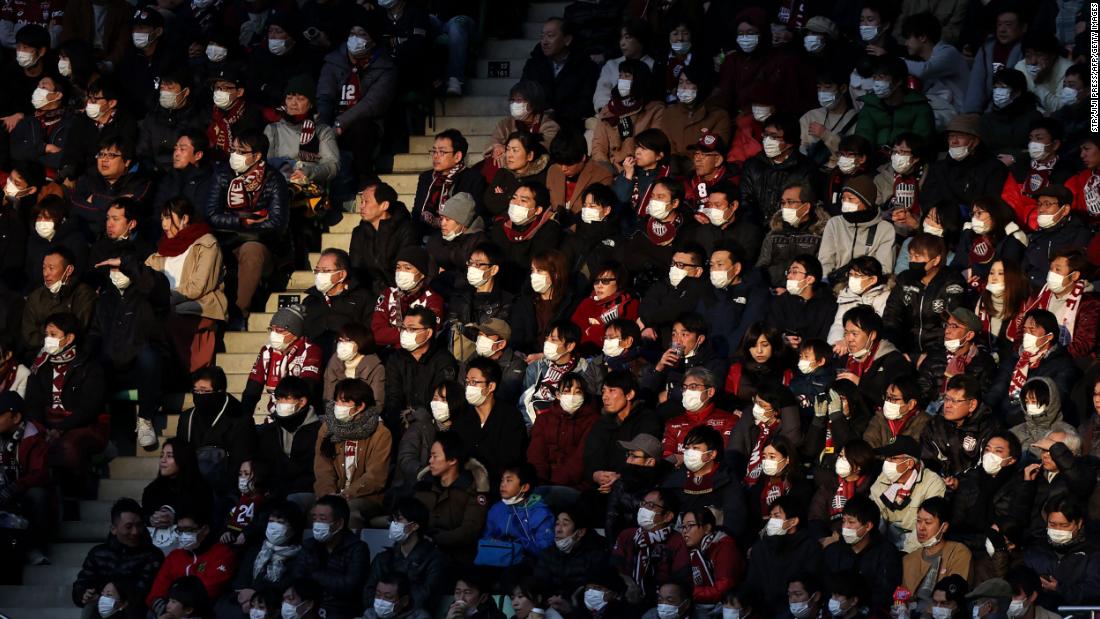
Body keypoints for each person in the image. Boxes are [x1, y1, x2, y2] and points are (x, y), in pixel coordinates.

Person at [203, 129, 289, 328]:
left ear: (257, 156)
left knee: (252, 250)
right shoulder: (223, 174)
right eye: (233, 150)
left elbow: (277, 223)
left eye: (241, 152)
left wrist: (248, 229)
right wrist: (243, 222)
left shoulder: (274, 179)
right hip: (226, 240)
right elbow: (212, 214)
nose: (234, 155)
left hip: (264, 244)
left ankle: (238, 312)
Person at [23, 313, 105, 495]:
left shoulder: (88, 366)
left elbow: (89, 408)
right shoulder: (40, 365)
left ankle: (76, 493)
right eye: (46, 335)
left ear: (69, 338)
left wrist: (61, 428)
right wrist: (43, 428)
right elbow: (32, 403)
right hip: (46, 426)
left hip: (80, 426)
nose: (47, 340)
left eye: (53, 335)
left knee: (67, 448)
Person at [315, 17, 397, 184]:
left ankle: (364, 178)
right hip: (332, 121)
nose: (356, 38)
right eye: (353, 33)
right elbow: (324, 96)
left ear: (373, 41)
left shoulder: (385, 67)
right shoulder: (333, 61)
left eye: (362, 34)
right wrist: (323, 124)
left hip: (364, 124)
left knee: (362, 129)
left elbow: (373, 103)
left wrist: (341, 123)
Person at [313, 379, 391, 528]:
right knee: (299, 503)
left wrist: (346, 495)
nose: (337, 407)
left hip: (365, 496)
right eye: (336, 401)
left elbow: (376, 476)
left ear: (360, 406)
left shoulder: (380, 433)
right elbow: (322, 468)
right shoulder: (327, 428)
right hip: (331, 494)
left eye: (343, 402)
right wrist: (328, 494)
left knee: (349, 512)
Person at [414, 433, 491, 565]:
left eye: (435, 456)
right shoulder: (425, 486)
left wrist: (436, 538)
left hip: (457, 560)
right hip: (421, 555)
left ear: (452, 460)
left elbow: (469, 530)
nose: (430, 461)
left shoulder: (473, 490)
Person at [288, 495, 369, 619]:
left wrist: (314, 574)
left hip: (341, 612)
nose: (317, 524)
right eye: (315, 519)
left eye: (322, 519)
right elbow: (297, 578)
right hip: (309, 608)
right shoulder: (309, 545)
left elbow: (349, 586)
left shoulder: (358, 548)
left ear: (339, 523)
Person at [146, 507, 237, 614]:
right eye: (180, 530)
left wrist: (178, 609)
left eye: (188, 530)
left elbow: (209, 591)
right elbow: (156, 593)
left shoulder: (222, 553)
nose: (183, 535)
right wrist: (165, 611)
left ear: (205, 529)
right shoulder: (175, 556)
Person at [364, 497, 448, 612]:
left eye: (399, 520)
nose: (393, 525)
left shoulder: (434, 560)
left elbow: (427, 597)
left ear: (414, 526)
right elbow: (368, 593)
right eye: (392, 520)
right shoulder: (383, 558)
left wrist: (395, 608)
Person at [744, 496, 824, 616]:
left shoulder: (810, 548)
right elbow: (752, 585)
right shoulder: (760, 548)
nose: (771, 521)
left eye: (776, 516)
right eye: (770, 517)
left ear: (793, 521)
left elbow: (808, 588)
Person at [611, 487, 691, 607]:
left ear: (667, 516)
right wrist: (628, 583)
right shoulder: (627, 535)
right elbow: (614, 568)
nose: (643, 509)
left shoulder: (677, 541)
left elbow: (681, 580)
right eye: (643, 504)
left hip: (661, 604)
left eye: (650, 506)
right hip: (625, 601)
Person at [176, 366, 255, 487]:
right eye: (196, 391)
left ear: (219, 392)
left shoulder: (240, 418)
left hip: (225, 486)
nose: (199, 395)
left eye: (204, 391)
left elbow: (242, 460)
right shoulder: (187, 417)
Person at [382, 307, 457, 432]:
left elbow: (440, 400)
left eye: (412, 329)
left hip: (432, 427)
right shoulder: (395, 359)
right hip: (401, 425)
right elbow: (393, 397)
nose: (405, 333)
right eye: (404, 328)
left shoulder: (443, 361)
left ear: (428, 333)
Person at [823, 496, 902, 612]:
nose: (845, 527)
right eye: (843, 521)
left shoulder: (886, 553)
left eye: (851, 522)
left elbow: (885, 593)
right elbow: (826, 586)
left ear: (868, 526)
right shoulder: (833, 551)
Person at [664, 425, 747, 537]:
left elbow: (735, 522)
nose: (689, 453)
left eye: (695, 448)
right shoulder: (674, 481)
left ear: (711, 454)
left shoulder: (728, 482)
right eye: (687, 448)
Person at [519, 17, 599, 132]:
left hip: (572, 127)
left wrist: (557, 113)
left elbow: (586, 103)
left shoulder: (585, 66)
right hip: (538, 125)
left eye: (550, 36)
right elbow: (524, 93)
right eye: (542, 36)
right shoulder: (534, 64)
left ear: (567, 40)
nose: (544, 42)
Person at [263, 75, 340, 192]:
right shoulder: (273, 129)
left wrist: (309, 172)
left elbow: (332, 165)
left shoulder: (322, 130)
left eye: (300, 99)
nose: (293, 103)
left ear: (311, 103)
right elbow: (265, 165)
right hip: (279, 188)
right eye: (289, 98)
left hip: (310, 187)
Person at [226, 501, 305, 616]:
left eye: (280, 522)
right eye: (271, 521)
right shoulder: (256, 549)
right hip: (242, 601)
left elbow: (286, 585)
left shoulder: (300, 556)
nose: (274, 526)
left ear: (294, 528)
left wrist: (255, 595)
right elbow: (241, 577)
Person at [0, 392, 53, 565]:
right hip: (4, 489)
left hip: (23, 491)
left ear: (16, 417)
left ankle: (36, 548)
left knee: (38, 495)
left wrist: (13, 489)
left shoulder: (34, 437)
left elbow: (39, 474)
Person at [241, 304, 322, 417]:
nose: (274, 334)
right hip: (274, 414)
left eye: (279, 330)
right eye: (272, 329)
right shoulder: (267, 351)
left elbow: (308, 387)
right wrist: (244, 418)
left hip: (301, 413)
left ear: (295, 333)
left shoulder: (310, 350)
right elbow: (252, 388)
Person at [870, 436, 948, 552]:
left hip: (917, 547)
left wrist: (905, 555)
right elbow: (876, 517)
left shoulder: (932, 482)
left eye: (892, 458)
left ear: (910, 463)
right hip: (885, 545)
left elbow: (926, 527)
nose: (886, 462)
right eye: (885, 458)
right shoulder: (882, 478)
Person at [527, 372, 599, 494]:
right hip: (542, 483)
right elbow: (536, 453)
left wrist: (555, 483)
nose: (572, 396)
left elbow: (581, 459)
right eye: (567, 391)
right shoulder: (544, 419)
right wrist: (540, 480)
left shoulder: (593, 421)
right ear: (558, 395)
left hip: (576, 485)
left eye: (577, 392)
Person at [1022, 496, 1100, 608]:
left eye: (1064, 525)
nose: (1058, 530)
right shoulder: (1036, 549)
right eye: (1052, 525)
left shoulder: (1093, 553)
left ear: (1079, 524)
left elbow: (1094, 591)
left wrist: (1060, 589)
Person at [255, 376, 322, 507]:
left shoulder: (319, 431)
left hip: (306, 491)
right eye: (279, 399)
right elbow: (264, 465)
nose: (281, 403)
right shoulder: (270, 431)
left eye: (286, 398)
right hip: (275, 492)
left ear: (302, 401)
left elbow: (314, 471)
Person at [740, 114, 818, 223]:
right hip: (756, 228)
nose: (767, 140)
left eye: (774, 136)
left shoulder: (806, 168)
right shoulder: (752, 165)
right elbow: (746, 201)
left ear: (790, 141)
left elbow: (807, 203)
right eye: (765, 135)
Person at [922, 114, 1008, 210]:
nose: (954, 141)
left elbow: (991, 205)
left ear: (975, 141)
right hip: (941, 221)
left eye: (960, 136)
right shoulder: (938, 168)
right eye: (951, 136)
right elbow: (929, 201)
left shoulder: (994, 169)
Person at [21, 246, 96, 356]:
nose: (46, 274)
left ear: (69, 270)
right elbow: (29, 335)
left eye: (51, 268)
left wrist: (50, 334)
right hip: (40, 355)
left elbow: (79, 329)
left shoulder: (84, 294)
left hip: (74, 355)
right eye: (44, 268)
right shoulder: (36, 297)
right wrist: (51, 340)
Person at [901, 497, 973, 611]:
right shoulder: (909, 559)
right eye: (918, 521)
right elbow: (903, 597)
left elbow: (955, 595)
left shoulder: (958, 552)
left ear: (944, 527)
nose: (921, 528)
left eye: (928, 522)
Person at [818, 175, 896, 279]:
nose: (845, 203)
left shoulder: (885, 229)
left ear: (866, 202)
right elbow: (825, 261)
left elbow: (884, 269)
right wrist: (826, 281)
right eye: (843, 198)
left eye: (850, 199)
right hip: (834, 284)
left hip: (868, 285)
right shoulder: (834, 223)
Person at [349, 181, 416, 300]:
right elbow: (356, 269)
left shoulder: (406, 230)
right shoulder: (359, 232)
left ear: (384, 205)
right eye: (361, 201)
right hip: (368, 295)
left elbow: (405, 270)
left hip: (400, 294)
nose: (361, 206)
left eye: (367, 202)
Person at [412, 129, 487, 236]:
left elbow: (473, 217)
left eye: (442, 152)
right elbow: (417, 212)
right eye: (434, 151)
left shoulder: (473, 179)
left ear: (457, 156)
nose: (435, 156)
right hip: (425, 234)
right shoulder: (426, 178)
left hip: (457, 237)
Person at [533, 505, 611, 606]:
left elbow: (596, 595)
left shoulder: (595, 556)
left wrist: (571, 606)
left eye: (565, 524)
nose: (558, 530)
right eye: (557, 524)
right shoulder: (547, 554)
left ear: (580, 532)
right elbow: (540, 586)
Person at [370, 245, 444, 350]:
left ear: (422, 274)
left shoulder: (433, 300)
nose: (401, 272)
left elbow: (425, 335)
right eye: (398, 267)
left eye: (407, 268)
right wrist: (409, 332)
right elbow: (376, 333)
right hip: (388, 354)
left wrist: (391, 335)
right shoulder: (388, 294)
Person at [836, 306, 911, 409]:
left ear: (872, 335)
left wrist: (859, 383)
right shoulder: (845, 359)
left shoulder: (893, 361)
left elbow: (892, 401)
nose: (849, 339)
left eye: (854, 334)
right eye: (846, 333)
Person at [757, 182, 829, 287]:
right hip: (773, 293)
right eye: (783, 203)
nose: (785, 207)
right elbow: (761, 268)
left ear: (806, 207)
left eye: (790, 202)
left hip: (804, 292)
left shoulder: (820, 236)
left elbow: (820, 271)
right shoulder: (773, 235)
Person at [917, 311, 997, 405]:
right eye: (947, 325)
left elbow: (982, 399)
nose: (947, 331)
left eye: (954, 326)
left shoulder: (984, 362)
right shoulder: (934, 355)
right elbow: (921, 392)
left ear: (969, 335)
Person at [854, 56, 935, 149]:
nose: (876, 83)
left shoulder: (920, 107)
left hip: (906, 158)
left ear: (898, 81)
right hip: (876, 160)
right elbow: (863, 135)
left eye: (881, 77)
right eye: (874, 78)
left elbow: (921, 141)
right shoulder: (870, 106)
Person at [137, 70, 207, 174]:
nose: (165, 92)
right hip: (153, 175)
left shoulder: (197, 119)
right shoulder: (153, 117)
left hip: (183, 175)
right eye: (162, 88)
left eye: (170, 88)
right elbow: (142, 151)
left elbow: (194, 155)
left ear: (186, 91)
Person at [1022, 186, 1092, 286]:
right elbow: (1025, 268)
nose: (1041, 209)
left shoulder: (1080, 234)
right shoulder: (1037, 235)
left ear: (1065, 210)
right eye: (1039, 204)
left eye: (1047, 204)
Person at [901, 12, 969, 114]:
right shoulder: (923, 60)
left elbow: (924, 70)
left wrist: (897, 61)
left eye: (908, 38)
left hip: (957, 113)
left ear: (922, 37)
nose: (906, 43)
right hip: (939, 110)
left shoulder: (949, 52)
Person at [483, 133, 551, 221]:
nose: (509, 155)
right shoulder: (502, 173)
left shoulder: (541, 177)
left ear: (529, 156)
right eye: (507, 149)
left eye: (515, 150)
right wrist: (515, 199)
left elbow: (536, 209)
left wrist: (504, 196)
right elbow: (489, 202)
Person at [153, 131, 216, 224]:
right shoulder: (169, 177)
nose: (176, 153)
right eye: (175, 148)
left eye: (182, 149)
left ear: (198, 155)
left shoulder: (208, 179)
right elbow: (157, 209)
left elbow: (200, 214)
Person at [321, 322, 384, 404]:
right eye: (340, 340)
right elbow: (327, 398)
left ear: (360, 342)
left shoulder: (375, 368)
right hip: (336, 414)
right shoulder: (333, 363)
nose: (342, 344)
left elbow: (378, 403)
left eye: (347, 340)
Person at [363, 572, 433, 619]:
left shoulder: (419, 617)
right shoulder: (370, 614)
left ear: (405, 601)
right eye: (378, 595)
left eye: (388, 597)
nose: (381, 601)